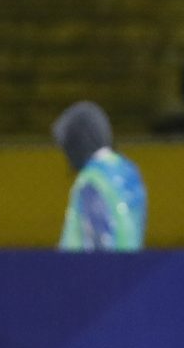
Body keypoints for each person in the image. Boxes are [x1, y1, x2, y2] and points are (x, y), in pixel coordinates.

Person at [53, 101, 147, 252]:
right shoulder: (130, 171)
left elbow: (99, 240)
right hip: (131, 269)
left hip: (89, 272)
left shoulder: (92, 179)